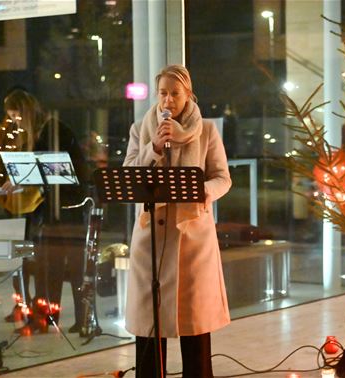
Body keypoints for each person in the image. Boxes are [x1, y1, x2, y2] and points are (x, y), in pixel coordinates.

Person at [123, 64, 231, 378]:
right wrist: (154, 147)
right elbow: (130, 175)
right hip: (150, 239)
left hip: (192, 238)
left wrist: (201, 192)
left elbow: (223, 179)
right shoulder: (140, 129)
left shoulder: (207, 131)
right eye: (163, 93)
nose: (168, 100)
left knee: (193, 322)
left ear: (188, 94)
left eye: (175, 93)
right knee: (148, 322)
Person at [0, 89, 88, 334]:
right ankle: (49, 316)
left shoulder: (53, 130)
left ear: (27, 111)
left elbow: (57, 167)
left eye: (17, 117)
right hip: (53, 205)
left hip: (69, 205)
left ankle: (77, 318)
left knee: (72, 266)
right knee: (49, 263)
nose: (15, 122)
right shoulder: (43, 130)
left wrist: (22, 179)